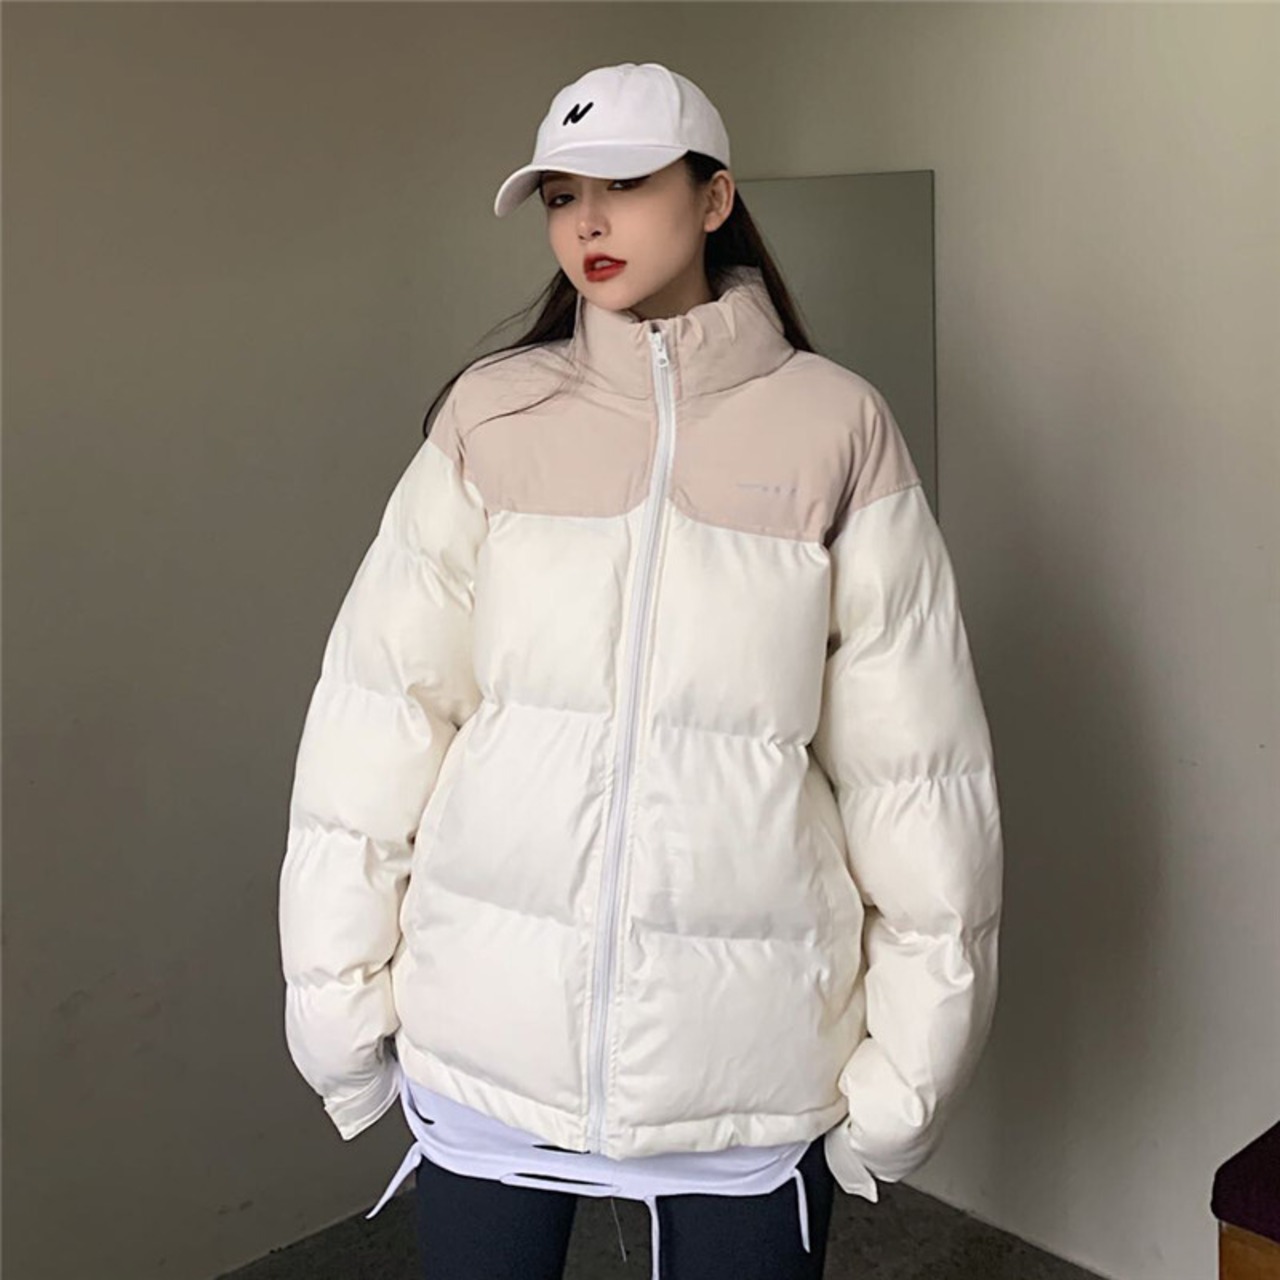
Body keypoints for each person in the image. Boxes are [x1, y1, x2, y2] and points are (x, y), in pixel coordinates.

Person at [277, 60, 1004, 1280]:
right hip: (488, 1035)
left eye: (622, 185)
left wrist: (907, 1076)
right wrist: (337, 1006)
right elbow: (380, 715)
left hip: (747, 1066)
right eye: (562, 196)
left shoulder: (834, 426)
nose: (587, 223)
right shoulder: (491, 417)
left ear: (714, 198)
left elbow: (915, 770)